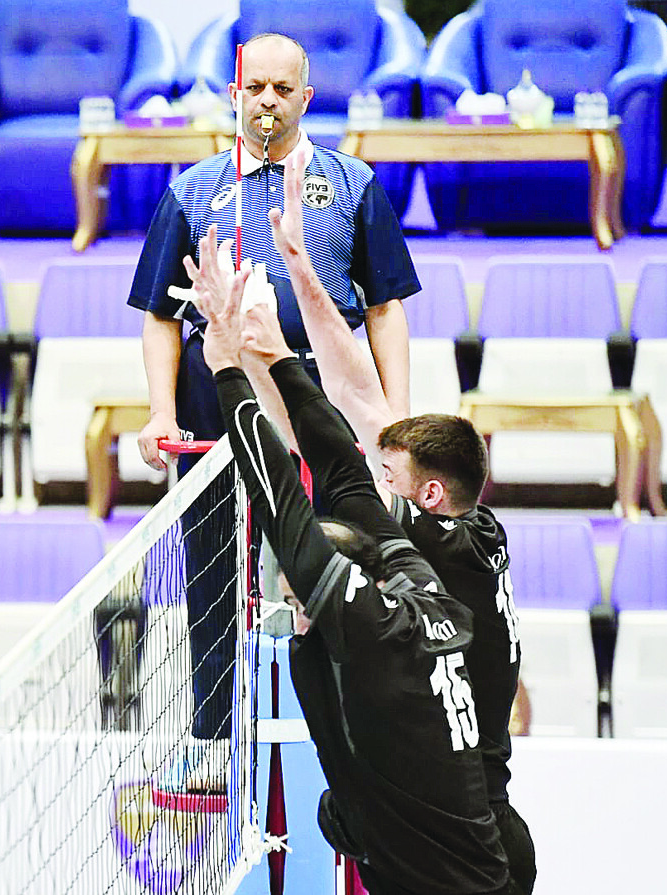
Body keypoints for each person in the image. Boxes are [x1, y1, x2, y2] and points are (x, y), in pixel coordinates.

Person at [188, 220, 512, 895]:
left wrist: (229, 362)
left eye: (300, 595)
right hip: (449, 834)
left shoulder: (403, 600)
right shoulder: (424, 574)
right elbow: (341, 470)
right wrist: (272, 351)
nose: (377, 482)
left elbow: (292, 498)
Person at [127, 31, 419, 778]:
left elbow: (384, 308)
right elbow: (160, 313)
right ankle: (216, 744)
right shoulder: (190, 190)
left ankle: (359, 738)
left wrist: (395, 422)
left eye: (282, 89)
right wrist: (163, 413)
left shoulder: (353, 183)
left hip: (322, 392)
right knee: (214, 571)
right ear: (235, 93)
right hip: (217, 392)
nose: (267, 101)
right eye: (254, 87)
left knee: (345, 564)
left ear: (305, 97)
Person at [261, 152, 536, 894]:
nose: (379, 486)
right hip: (471, 816)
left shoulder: (437, 541)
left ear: (434, 493)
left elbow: (351, 393)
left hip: (459, 833)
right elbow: (360, 398)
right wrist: (301, 269)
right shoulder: (475, 531)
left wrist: (262, 340)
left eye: (395, 479)